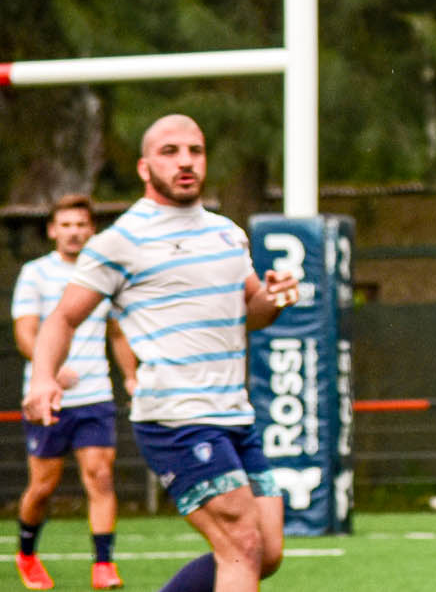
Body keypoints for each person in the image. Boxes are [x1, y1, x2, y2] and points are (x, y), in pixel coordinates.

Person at [24, 115, 300, 592]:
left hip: (234, 414)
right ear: (144, 167)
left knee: (267, 551)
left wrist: (272, 298)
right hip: (176, 417)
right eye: (170, 152)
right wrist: (43, 377)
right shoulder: (119, 242)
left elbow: (250, 313)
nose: (186, 161)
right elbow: (63, 319)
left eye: (195, 150)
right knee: (242, 545)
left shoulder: (227, 233)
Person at [12, 195, 138, 591]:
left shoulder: (105, 275)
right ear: (53, 230)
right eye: (65, 225)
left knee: (100, 476)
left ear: (91, 229)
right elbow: (25, 333)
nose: (73, 232)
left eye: (81, 225)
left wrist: (131, 376)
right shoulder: (35, 274)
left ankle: (103, 564)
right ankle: (28, 555)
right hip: (48, 397)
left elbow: (117, 333)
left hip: (95, 396)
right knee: (43, 487)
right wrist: (49, 370)